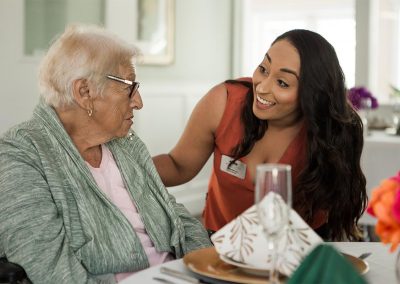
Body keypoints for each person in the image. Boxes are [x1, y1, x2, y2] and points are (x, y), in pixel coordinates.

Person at [0, 24, 211, 283]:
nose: (138, 101)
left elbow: (176, 216)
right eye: (128, 87)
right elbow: (53, 269)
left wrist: (207, 269)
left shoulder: (125, 143)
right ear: (84, 92)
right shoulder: (22, 155)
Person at [153, 29, 368, 241]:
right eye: (264, 69)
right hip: (218, 245)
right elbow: (178, 165)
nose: (262, 87)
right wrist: (124, 169)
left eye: (282, 82)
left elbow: (337, 213)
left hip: (297, 251)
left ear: (311, 95)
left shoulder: (330, 132)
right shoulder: (224, 102)